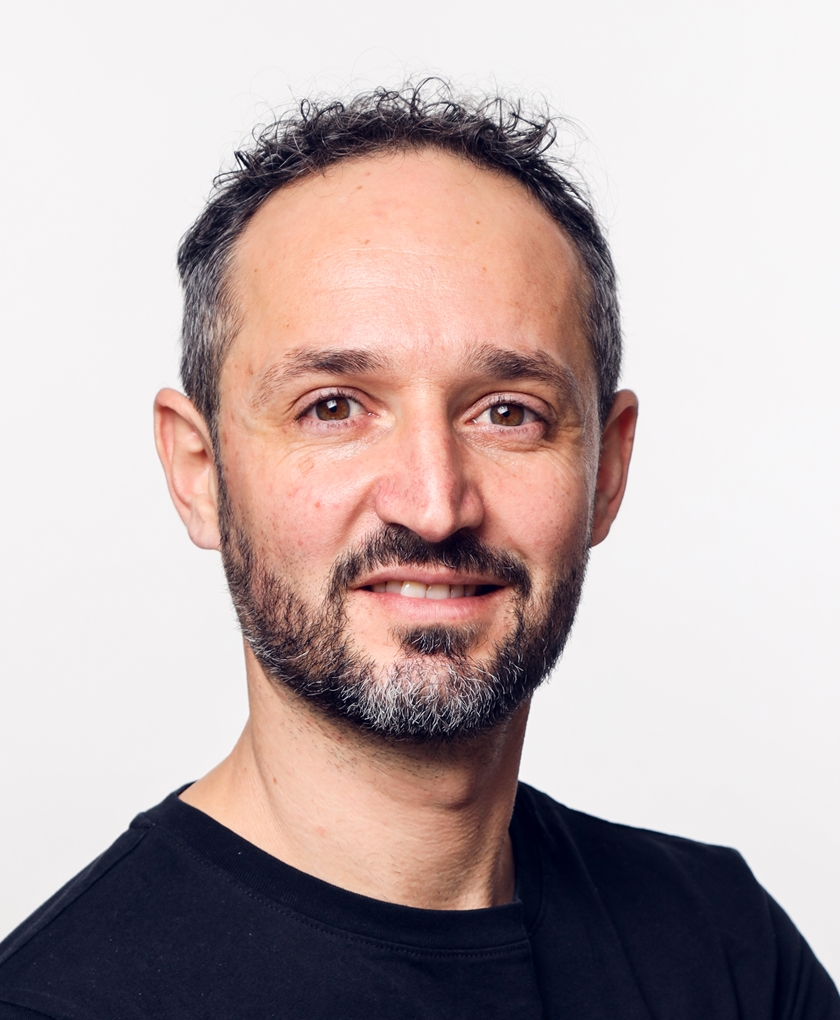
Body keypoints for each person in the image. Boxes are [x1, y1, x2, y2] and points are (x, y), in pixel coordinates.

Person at [0, 80, 836, 1020]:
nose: (435, 506)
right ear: (200, 472)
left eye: (508, 413)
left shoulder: (728, 951)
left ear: (606, 471)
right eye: (333, 408)